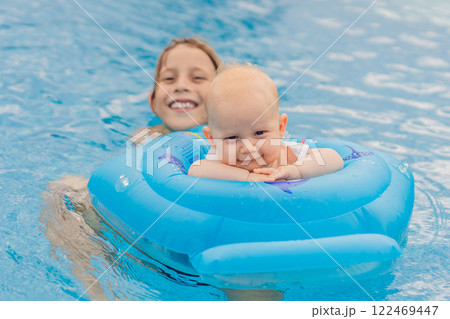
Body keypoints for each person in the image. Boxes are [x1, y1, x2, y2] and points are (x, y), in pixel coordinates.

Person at [188, 64, 344, 181]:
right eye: (232, 138)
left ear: (280, 127)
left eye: (259, 133)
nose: (248, 147)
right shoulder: (219, 161)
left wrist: (296, 171)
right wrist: (247, 178)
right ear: (212, 139)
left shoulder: (289, 154)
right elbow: (195, 170)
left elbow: (334, 158)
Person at [130, 38, 221, 144]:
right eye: (169, 78)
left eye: (197, 77)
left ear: (221, 100)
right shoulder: (143, 139)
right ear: (153, 103)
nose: (181, 86)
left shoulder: (235, 141)